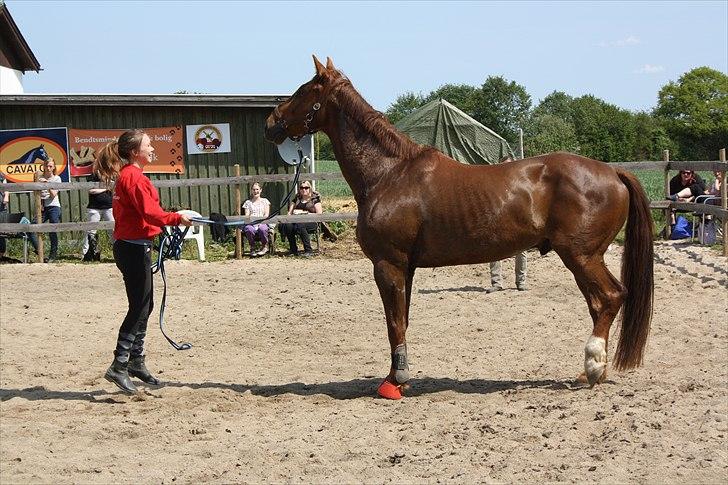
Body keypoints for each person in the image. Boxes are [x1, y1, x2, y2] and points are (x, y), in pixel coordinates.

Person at [95, 129, 192, 394]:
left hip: (135, 246)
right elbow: (150, 213)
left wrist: (172, 218)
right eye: (149, 145)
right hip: (133, 249)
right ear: (135, 151)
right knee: (138, 307)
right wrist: (176, 218)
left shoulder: (131, 176)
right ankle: (120, 364)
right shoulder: (133, 178)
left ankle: (135, 360)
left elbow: (148, 213)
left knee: (145, 305)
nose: (152, 148)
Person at [29, 158, 62, 262]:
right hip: (42, 207)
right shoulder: (39, 177)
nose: (48, 168)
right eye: (46, 166)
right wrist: (36, 183)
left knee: (53, 230)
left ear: (54, 167)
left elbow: (53, 195)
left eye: (50, 166)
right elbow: (35, 194)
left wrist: (47, 184)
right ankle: (40, 251)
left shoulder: (57, 178)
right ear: (43, 166)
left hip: (53, 206)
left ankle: (53, 255)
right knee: (32, 228)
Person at [278, 180, 322, 257]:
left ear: (310, 189)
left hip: (311, 222)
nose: (304, 189)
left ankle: (308, 250)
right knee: (288, 226)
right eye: (301, 188)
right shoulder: (296, 199)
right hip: (296, 222)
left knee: (300, 225)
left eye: (306, 188)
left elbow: (319, 214)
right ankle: (293, 250)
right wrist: (292, 214)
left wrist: (305, 213)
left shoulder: (315, 199)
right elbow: (289, 213)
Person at [82, 168, 114, 261]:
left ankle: (117, 253)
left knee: (112, 230)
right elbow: (91, 191)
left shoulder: (110, 175)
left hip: (108, 206)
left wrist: (100, 188)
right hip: (94, 207)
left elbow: (113, 186)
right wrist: (105, 188)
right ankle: (85, 254)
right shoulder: (91, 177)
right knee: (90, 231)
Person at [242, 182, 271, 257]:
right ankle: (252, 247)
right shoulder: (248, 203)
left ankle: (264, 246)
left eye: (257, 189)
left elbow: (266, 214)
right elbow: (247, 215)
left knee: (263, 228)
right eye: (254, 189)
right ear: (251, 191)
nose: (255, 191)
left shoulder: (265, 201)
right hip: (252, 223)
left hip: (262, 222)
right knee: (248, 229)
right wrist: (251, 220)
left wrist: (260, 220)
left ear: (260, 190)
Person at [0, 172, 9, 259]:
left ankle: (1, 253)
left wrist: (6, 196)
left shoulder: (1, 175)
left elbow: (7, 188)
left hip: (1, 207)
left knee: (1, 231)